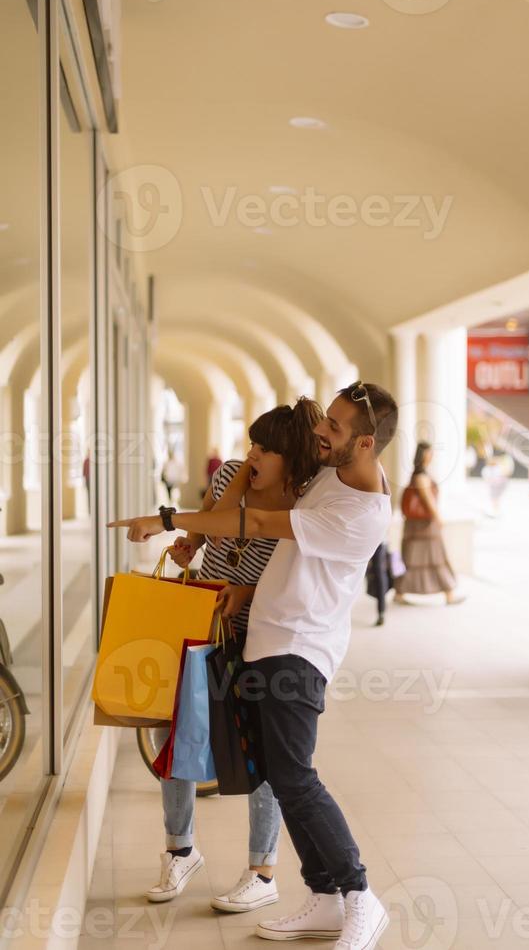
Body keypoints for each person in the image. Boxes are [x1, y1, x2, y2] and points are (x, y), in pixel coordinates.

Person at [109, 381, 399, 950]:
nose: (323, 432)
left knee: (296, 777)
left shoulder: (359, 513)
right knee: (281, 777)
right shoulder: (329, 471)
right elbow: (255, 472)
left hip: (300, 648)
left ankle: (360, 896)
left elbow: (262, 525)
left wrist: (166, 518)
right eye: (327, 421)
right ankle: (323, 897)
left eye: (335, 428)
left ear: (365, 444)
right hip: (268, 639)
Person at [146, 399, 324, 911]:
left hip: (257, 634)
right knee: (174, 729)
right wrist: (190, 546)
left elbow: (291, 572)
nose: (253, 455)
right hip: (204, 619)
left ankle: (262, 872)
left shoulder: (300, 506)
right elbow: (208, 523)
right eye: (252, 444)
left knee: (260, 747)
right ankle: (180, 850)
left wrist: (245, 593)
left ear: (291, 458)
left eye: (266, 449)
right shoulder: (229, 475)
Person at [394, 441, 465, 607]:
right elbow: (428, 500)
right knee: (435, 557)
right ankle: (449, 594)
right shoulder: (421, 477)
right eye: (429, 453)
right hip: (425, 525)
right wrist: (438, 518)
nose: (431, 456)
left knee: (412, 557)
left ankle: (400, 593)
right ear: (423, 455)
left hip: (416, 526)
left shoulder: (417, 475)